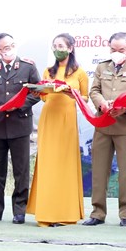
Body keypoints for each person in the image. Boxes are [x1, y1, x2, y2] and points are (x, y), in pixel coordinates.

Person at [83, 32, 126, 227]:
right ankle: (97, 213)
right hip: (102, 124)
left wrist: (125, 109)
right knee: (99, 171)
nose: (116, 53)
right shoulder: (102, 66)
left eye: (121, 50)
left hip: (125, 125)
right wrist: (101, 104)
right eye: (113, 49)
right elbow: (94, 90)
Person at [26, 33, 88, 227]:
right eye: (54, 46)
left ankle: (66, 213)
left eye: (60, 45)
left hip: (67, 119)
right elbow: (45, 96)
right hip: (49, 118)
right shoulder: (47, 71)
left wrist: (72, 92)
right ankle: (45, 212)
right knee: (48, 163)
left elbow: (85, 98)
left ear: (70, 48)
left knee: (65, 162)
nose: (57, 49)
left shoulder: (80, 73)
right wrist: (39, 92)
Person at [0, 33, 41, 224]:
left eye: (12, 45)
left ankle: (19, 210)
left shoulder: (28, 66)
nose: (10, 49)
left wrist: (20, 104)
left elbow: (37, 93)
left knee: (21, 170)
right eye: (5, 48)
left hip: (20, 125)